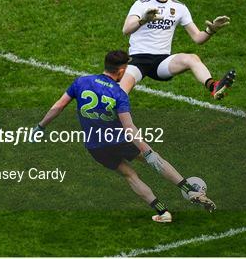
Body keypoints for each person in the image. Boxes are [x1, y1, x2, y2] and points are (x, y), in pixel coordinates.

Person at [32, 50, 216, 223]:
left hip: (95, 147)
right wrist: (146, 150)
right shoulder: (118, 93)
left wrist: (40, 126)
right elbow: (128, 127)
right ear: (120, 71)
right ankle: (189, 190)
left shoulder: (81, 82)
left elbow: (59, 106)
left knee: (130, 176)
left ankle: (163, 212)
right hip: (119, 140)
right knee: (155, 159)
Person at [121, 0, 236, 100]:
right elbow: (126, 30)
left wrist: (211, 31)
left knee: (192, 58)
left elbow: (198, 38)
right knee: (120, 92)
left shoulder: (179, 8)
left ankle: (214, 87)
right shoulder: (141, 4)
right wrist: (143, 20)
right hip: (138, 59)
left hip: (162, 61)